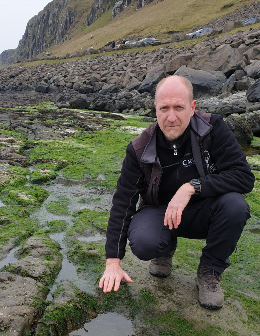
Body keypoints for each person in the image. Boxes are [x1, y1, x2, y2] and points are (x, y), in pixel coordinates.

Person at [99, 75, 255, 309]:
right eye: (164, 108)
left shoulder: (213, 130)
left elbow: (244, 177)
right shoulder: (139, 149)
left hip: (203, 211)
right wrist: (113, 260)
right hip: (160, 213)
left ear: (192, 108)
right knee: (143, 242)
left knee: (235, 206)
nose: (171, 117)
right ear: (155, 109)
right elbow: (123, 203)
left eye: (179, 107)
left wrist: (192, 187)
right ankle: (164, 249)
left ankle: (210, 271)